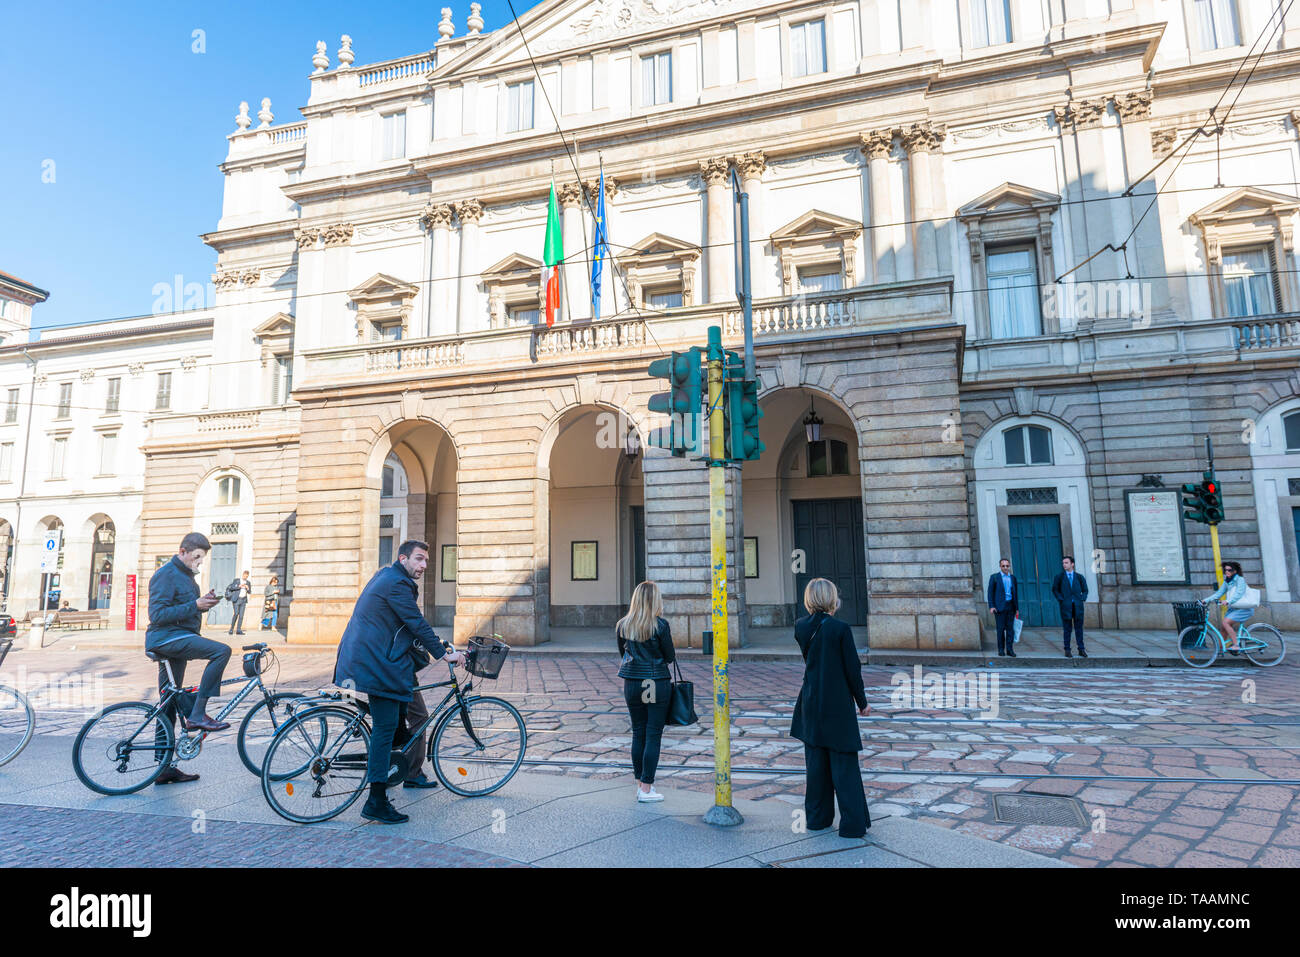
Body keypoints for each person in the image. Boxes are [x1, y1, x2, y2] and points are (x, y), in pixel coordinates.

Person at [334, 539, 464, 824]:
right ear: (403, 558)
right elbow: (415, 621)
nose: (423, 566)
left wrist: (439, 643)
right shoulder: (397, 584)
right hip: (377, 664)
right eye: (418, 559)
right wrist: (443, 654)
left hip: (381, 659)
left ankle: (411, 771)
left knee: (416, 714)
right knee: (385, 728)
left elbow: (406, 625)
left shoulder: (389, 575)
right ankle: (376, 800)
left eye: (426, 561)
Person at [145, 531, 232, 785]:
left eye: (201, 559)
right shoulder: (165, 575)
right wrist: (196, 605)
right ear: (182, 552)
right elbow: (157, 615)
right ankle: (198, 714)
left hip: (175, 639)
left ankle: (164, 769)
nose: (199, 563)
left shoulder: (186, 577)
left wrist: (204, 603)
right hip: (166, 639)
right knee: (221, 651)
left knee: (168, 705)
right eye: (196, 557)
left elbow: (186, 608)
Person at [790, 577, 870, 838]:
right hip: (837, 704)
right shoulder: (841, 629)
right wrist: (862, 702)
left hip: (811, 700)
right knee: (844, 765)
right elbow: (852, 669)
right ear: (831, 599)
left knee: (816, 765)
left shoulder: (800, 626)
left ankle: (817, 819)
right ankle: (852, 825)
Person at [616, 581, 675, 803]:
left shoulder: (623, 625)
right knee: (653, 735)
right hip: (656, 682)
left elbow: (622, 653)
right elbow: (669, 656)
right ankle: (647, 789)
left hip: (632, 681)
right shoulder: (660, 625)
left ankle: (641, 783)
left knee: (638, 733)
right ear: (655, 600)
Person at [1205, 561, 1252, 654]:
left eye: (1229, 570)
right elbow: (1219, 593)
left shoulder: (1240, 580)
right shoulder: (1227, 581)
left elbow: (1239, 594)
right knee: (1223, 627)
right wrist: (1205, 600)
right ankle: (1220, 649)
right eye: (1225, 570)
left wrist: (1228, 601)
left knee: (1225, 622)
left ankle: (1236, 645)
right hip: (1233, 608)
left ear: (1235, 571)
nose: (1227, 572)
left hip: (1243, 608)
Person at [1051, 555, 1089, 658]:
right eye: (1063, 563)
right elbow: (1055, 589)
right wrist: (1061, 599)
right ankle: (1067, 649)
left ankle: (1081, 649)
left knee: (1079, 629)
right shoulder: (1059, 577)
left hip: (1078, 606)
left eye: (1066, 563)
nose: (1064, 565)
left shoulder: (1079, 577)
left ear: (1072, 564)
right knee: (1067, 629)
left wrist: (1082, 598)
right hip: (1066, 606)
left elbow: (1085, 589)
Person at [986, 557, 1019, 658]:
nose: (1005, 567)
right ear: (1000, 566)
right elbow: (990, 593)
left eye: (1007, 566)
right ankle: (1001, 650)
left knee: (1010, 630)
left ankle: (1010, 649)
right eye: (1003, 566)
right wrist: (991, 606)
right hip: (999, 607)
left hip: (1011, 606)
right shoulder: (995, 577)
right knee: (1000, 630)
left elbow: (1016, 593)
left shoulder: (1013, 578)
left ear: (1009, 566)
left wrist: (1017, 608)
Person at [227, 570, 251, 636]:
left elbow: (249, 592)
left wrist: (248, 588)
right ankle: (231, 629)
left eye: (247, 576)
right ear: (242, 574)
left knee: (241, 616)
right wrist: (239, 586)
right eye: (244, 575)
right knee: (236, 613)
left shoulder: (248, 582)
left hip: (243, 600)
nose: (245, 577)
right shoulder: (237, 580)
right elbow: (231, 588)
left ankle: (238, 630)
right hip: (237, 599)